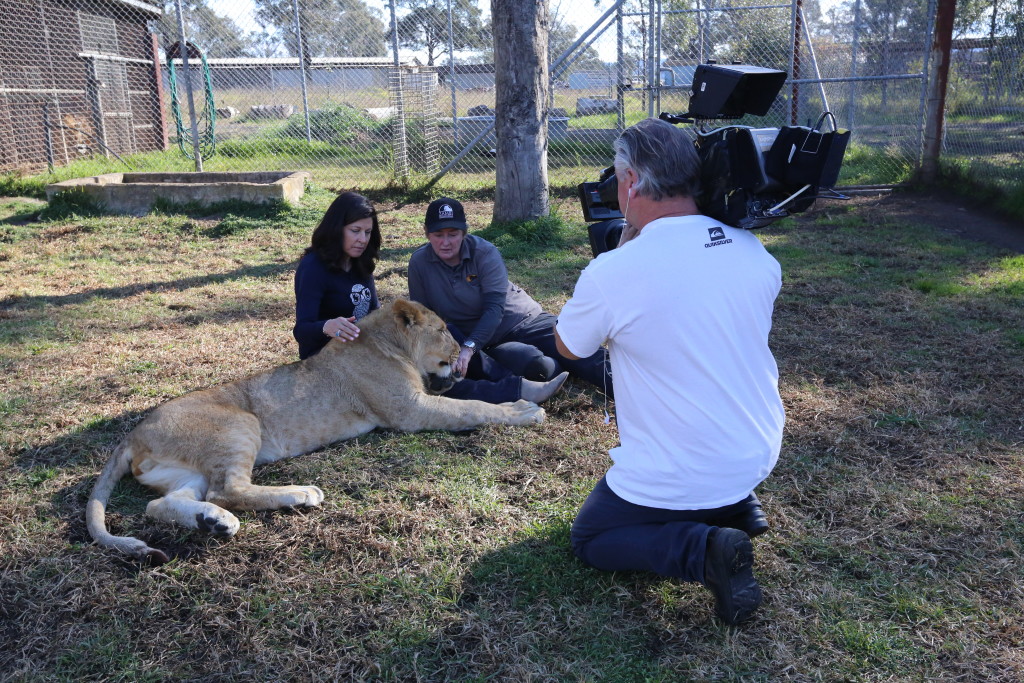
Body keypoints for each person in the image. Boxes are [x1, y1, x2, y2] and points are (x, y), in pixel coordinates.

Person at [553, 118, 785, 625]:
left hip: (686, 469)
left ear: (631, 181)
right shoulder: (752, 249)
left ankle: (702, 550)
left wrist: (620, 255)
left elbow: (569, 346)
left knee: (591, 538)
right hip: (757, 451)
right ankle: (734, 506)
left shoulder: (615, 272)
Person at [292, 191, 566, 404]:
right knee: (429, 379)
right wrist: (327, 326)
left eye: (367, 232)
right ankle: (513, 391)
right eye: (355, 231)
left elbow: (373, 313)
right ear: (337, 228)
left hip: (368, 348)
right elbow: (302, 331)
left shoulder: (361, 263)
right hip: (333, 358)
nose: (362, 239)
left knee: (447, 333)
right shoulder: (313, 267)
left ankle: (510, 380)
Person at [408, 197, 611, 395]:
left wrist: (468, 348)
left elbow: (494, 308)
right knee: (542, 369)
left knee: (578, 349)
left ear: (464, 233)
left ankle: (630, 385)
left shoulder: (484, 253)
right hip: (488, 342)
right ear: (426, 233)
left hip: (524, 321)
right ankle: (543, 372)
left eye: (453, 234)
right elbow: (424, 319)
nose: (446, 242)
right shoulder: (419, 263)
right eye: (438, 234)